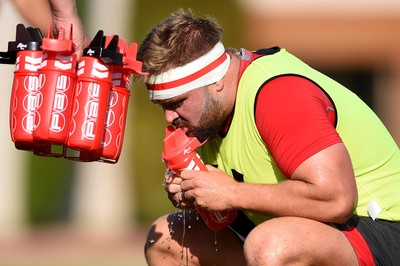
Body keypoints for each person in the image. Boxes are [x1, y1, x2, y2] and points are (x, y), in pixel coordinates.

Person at [48, 5, 400, 266]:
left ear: (216, 79)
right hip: (301, 228)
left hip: (378, 227)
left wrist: (229, 192)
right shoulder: (207, 112)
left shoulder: (279, 95)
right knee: (169, 240)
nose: (170, 116)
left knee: (272, 244)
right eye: (162, 106)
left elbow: (335, 201)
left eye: (177, 102)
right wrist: (197, 195)